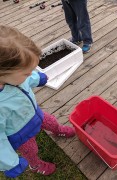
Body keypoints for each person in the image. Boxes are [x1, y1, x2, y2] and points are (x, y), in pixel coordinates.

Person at [0, 25, 75, 178]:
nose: (31, 74)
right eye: (28, 73)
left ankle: (57, 130)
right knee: (31, 150)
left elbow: (25, 79)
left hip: (35, 114)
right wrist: (11, 163)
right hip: (21, 133)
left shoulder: (13, 77)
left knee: (52, 122)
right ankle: (35, 165)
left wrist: (36, 78)